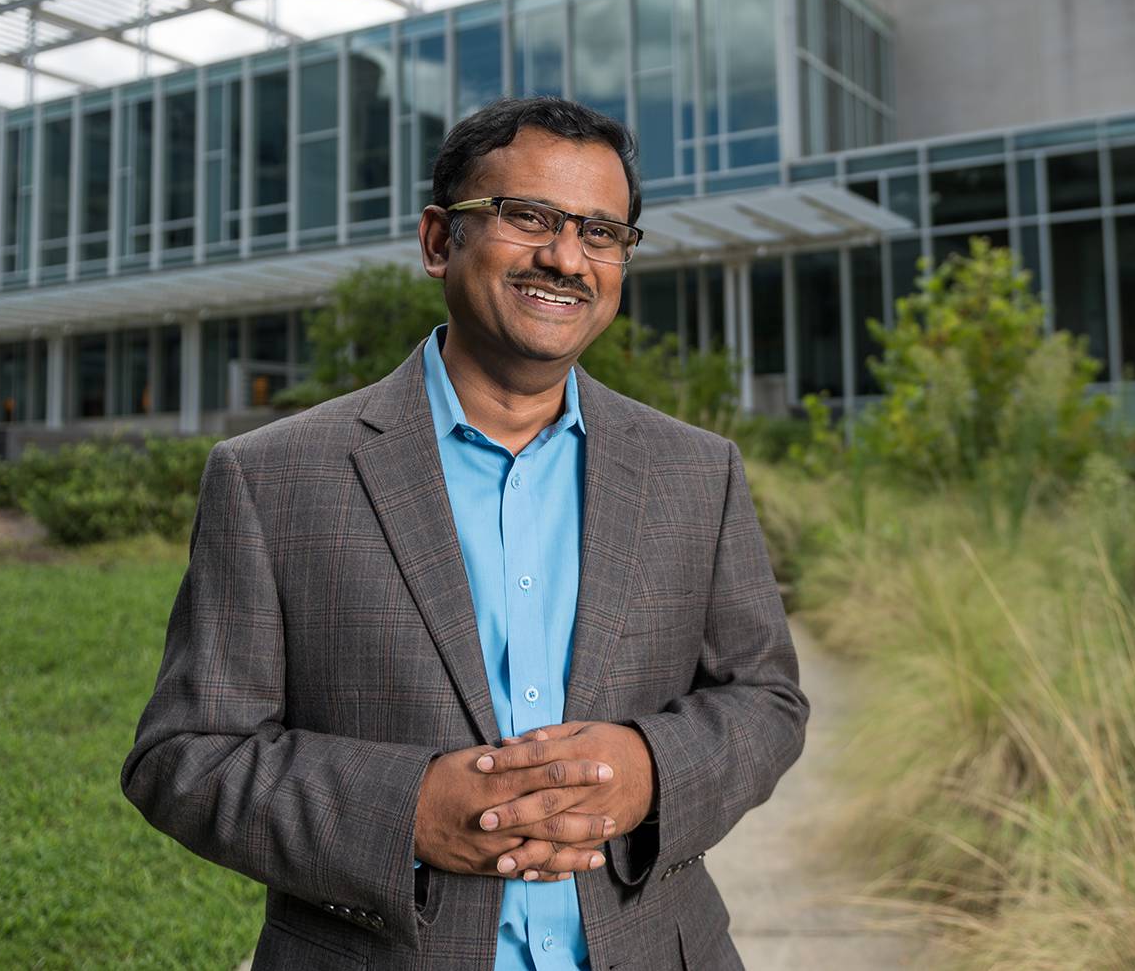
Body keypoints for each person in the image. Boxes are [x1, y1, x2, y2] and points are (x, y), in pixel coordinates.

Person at [122, 96, 809, 971]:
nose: (566, 257)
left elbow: (767, 701)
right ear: (440, 240)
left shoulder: (695, 471)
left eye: (602, 232)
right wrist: (404, 811)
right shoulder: (272, 478)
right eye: (528, 218)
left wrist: (648, 769)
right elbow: (184, 758)